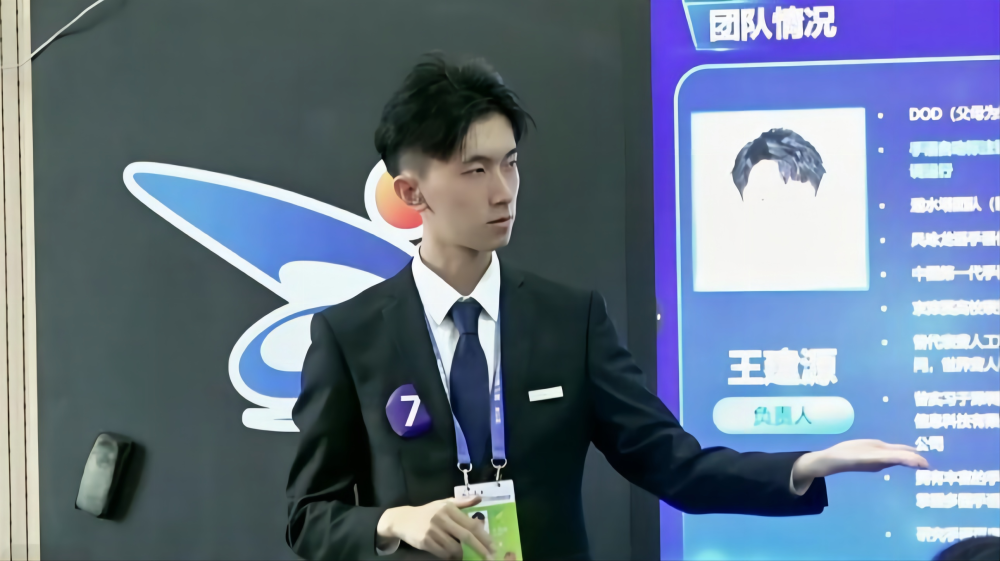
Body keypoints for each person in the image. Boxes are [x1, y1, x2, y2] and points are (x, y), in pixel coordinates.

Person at [284, 54, 928, 560]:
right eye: (475, 171)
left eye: (510, 164)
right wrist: (394, 522)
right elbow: (310, 517)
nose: (503, 191)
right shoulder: (350, 334)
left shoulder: (571, 321)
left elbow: (674, 464)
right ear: (410, 192)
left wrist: (801, 466)